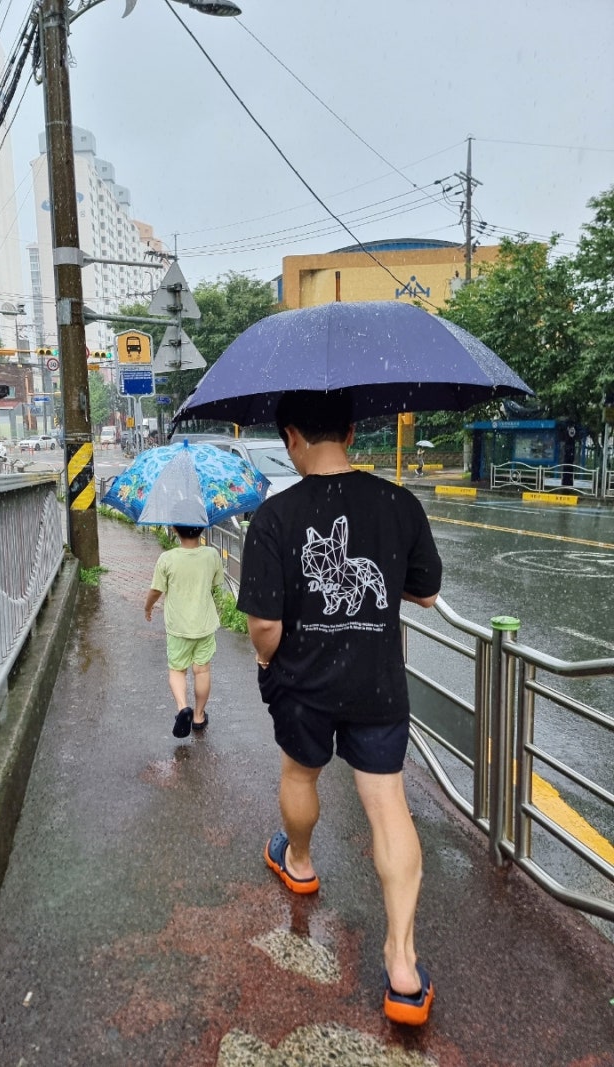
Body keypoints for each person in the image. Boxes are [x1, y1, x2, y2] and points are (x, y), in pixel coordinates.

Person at [236, 388, 442, 1027]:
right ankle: (402, 965)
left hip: (305, 686)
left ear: (292, 436)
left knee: (300, 773)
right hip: (377, 686)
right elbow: (427, 594)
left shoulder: (273, 518)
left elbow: (264, 626)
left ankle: (298, 863)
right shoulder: (399, 503)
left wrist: (269, 663)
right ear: (351, 432)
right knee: (389, 807)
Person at [145, 525, 225, 738]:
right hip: (204, 624)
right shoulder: (211, 554)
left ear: (174, 529)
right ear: (201, 528)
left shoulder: (167, 558)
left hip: (178, 628)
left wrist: (148, 606)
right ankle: (198, 716)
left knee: (177, 670)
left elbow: (156, 590)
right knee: (202, 671)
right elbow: (217, 582)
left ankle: (183, 709)